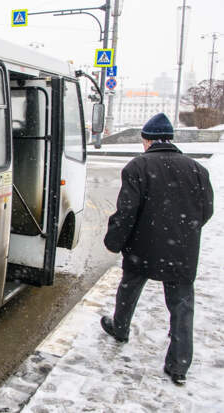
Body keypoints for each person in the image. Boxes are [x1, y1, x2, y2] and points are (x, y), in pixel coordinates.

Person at [100, 113, 214, 385]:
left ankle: (120, 328)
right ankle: (179, 365)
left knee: (129, 288)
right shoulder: (197, 169)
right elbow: (206, 211)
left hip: (143, 247)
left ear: (147, 141)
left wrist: (114, 241)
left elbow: (126, 212)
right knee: (182, 306)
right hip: (181, 251)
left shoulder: (137, 167)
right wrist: (183, 231)